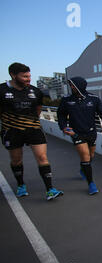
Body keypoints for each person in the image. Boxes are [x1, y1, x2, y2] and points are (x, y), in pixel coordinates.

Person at [0, 62, 63, 200]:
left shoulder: (35, 91)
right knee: (16, 160)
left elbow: (38, 109)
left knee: (42, 157)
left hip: (33, 129)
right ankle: (21, 185)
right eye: (24, 77)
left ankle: (50, 189)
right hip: (11, 131)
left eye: (29, 76)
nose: (28, 79)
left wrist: (31, 121)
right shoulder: (2, 90)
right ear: (13, 75)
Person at [57, 77, 102, 195]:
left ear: (79, 86)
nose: (71, 87)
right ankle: (91, 183)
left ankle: (83, 168)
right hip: (76, 133)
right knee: (85, 156)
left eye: (73, 85)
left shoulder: (94, 99)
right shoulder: (66, 100)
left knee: (91, 155)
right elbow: (61, 114)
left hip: (91, 132)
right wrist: (63, 127)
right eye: (70, 85)